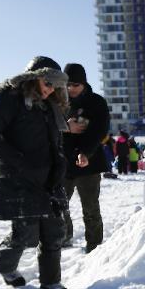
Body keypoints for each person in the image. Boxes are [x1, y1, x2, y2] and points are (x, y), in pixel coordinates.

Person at [0, 56, 70, 289]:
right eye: (48, 83)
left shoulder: (49, 105)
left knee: (54, 232)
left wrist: (60, 164)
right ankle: (5, 265)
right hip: (21, 178)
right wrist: (18, 161)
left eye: (55, 85)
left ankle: (51, 281)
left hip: (48, 177)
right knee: (26, 233)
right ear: (33, 78)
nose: (51, 89)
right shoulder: (10, 100)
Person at [61, 63, 109, 253]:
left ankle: (94, 245)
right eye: (68, 85)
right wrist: (65, 126)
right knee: (59, 205)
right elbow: (47, 128)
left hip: (89, 163)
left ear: (84, 83)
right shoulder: (58, 102)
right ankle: (64, 236)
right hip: (63, 163)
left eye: (76, 85)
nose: (71, 89)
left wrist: (85, 152)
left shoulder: (96, 102)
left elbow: (99, 131)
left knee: (90, 208)